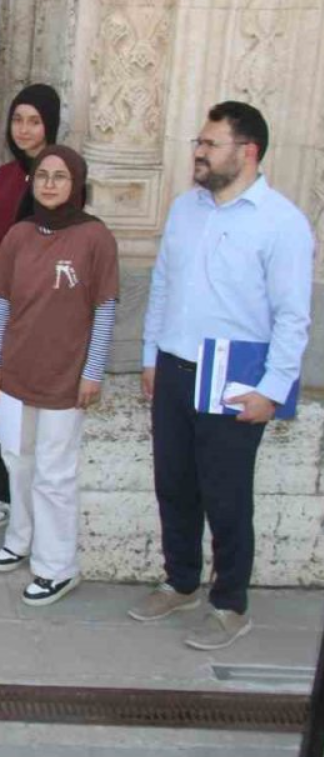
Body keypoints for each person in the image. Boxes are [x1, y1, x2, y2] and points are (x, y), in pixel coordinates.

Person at [131, 101, 315, 650]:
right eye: (199, 142)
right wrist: (150, 355)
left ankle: (230, 603)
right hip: (175, 367)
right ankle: (181, 581)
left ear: (248, 151)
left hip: (235, 377)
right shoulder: (187, 209)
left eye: (210, 144)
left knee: (227, 495)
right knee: (174, 484)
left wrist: (272, 391)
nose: (199, 152)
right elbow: (163, 284)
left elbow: (292, 317)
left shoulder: (281, 222)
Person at [0, 145, 118, 607]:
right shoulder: (19, 235)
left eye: (60, 177)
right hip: (16, 370)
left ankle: (57, 566)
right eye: (43, 176)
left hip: (66, 377)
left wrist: (92, 372)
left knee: (54, 473)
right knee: (17, 460)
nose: (51, 184)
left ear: (76, 183)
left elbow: (104, 308)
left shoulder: (95, 237)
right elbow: (1, 302)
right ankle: (21, 539)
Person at [0, 84, 62, 527]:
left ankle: (7, 490)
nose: (24, 129)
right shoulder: (4, 176)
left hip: (32, 309)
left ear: (50, 126)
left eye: (34, 121)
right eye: (18, 120)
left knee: (18, 399)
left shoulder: (57, 177)